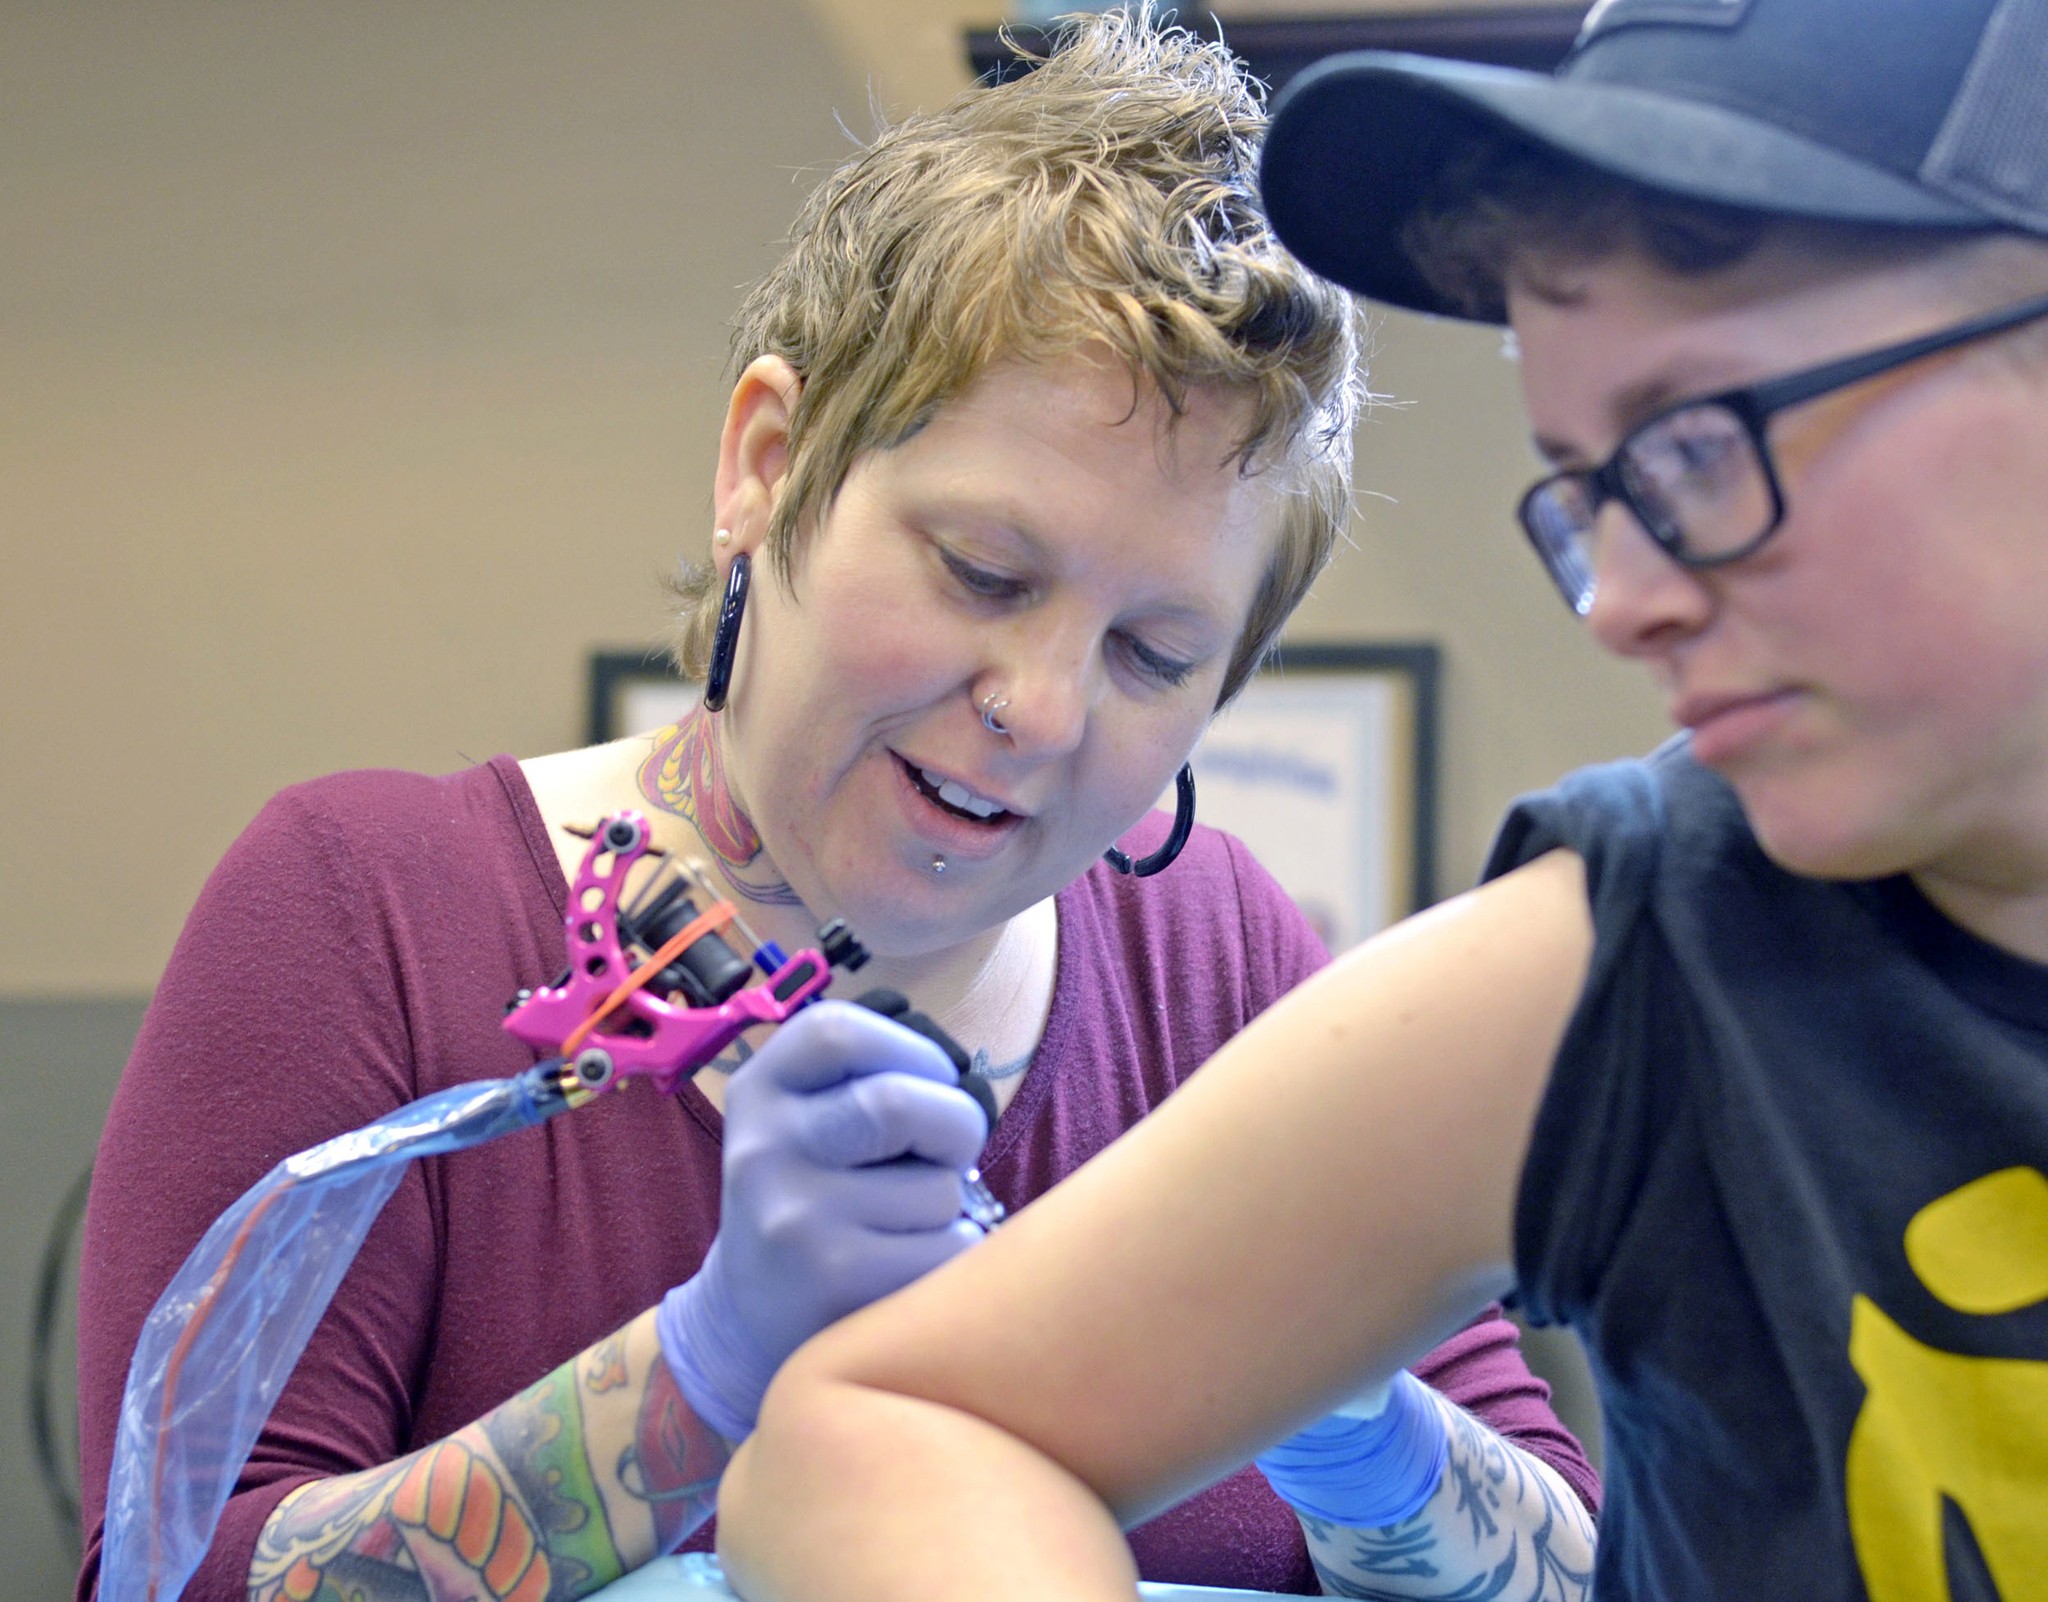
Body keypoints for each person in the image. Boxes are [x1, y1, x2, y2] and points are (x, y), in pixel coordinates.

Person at [73, 14, 1598, 1602]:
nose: (1043, 706)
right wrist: (700, 1371)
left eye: (1157, 653)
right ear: (766, 462)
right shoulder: (371, 914)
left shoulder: (1223, 973)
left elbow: (1582, 1569)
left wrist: (1332, 1391)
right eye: (984, 573)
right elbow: (170, 1577)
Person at [712, 1, 2048, 1599]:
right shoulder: (1639, 962)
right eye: (1591, 488)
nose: (1619, 598)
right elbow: (889, 1423)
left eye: (1699, 444)